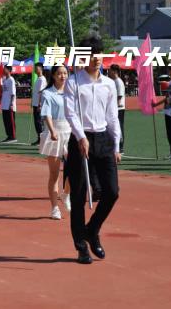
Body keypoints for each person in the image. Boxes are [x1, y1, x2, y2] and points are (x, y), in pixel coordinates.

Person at [64, 37, 121, 265]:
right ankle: (81, 247)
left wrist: (116, 144)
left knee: (112, 191)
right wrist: (80, 137)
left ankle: (92, 228)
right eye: (90, 54)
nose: (96, 58)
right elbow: (70, 112)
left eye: (99, 54)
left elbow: (112, 116)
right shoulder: (74, 82)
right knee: (78, 197)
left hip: (103, 139)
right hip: (80, 140)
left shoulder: (108, 84)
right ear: (82, 58)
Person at [39, 65, 72, 220]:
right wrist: (52, 131)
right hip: (55, 132)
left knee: (74, 170)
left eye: (65, 73)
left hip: (71, 131)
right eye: (59, 73)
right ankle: (54, 208)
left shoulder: (71, 91)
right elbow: (46, 114)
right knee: (54, 174)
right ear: (53, 76)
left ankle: (66, 194)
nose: (62, 76)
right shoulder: (47, 93)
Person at [108, 65, 126, 153]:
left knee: (119, 127)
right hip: (115, 108)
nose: (108, 72)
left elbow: (119, 96)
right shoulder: (113, 81)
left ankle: (121, 147)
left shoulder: (118, 82)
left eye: (110, 70)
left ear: (115, 71)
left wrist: (113, 105)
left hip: (119, 109)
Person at [31, 62, 47, 146]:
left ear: (41, 69)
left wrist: (40, 104)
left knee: (39, 122)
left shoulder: (42, 79)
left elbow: (41, 92)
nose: (35, 69)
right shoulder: (38, 79)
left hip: (38, 105)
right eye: (35, 68)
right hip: (35, 103)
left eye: (37, 68)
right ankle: (39, 138)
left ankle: (42, 140)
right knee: (37, 122)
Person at [1, 65, 17, 143]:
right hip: (4, 104)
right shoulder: (4, 79)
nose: (4, 70)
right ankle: (8, 136)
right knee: (6, 121)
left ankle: (13, 137)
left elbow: (13, 93)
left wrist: (11, 103)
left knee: (11, 121)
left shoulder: (11, 80)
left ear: (9, 70)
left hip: (9, 104)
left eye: (5, 69)